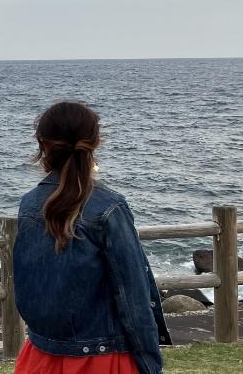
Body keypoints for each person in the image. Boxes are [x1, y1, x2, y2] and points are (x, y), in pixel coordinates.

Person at [13, 101, 171, 374]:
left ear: (42, 144)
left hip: (40, 357)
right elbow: (133, 297)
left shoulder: (29, 204)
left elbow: (29, 288)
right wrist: (149, 363)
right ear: (96, 142)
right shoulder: (109, 207)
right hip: (104, 359)